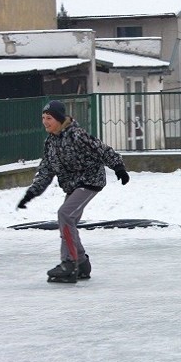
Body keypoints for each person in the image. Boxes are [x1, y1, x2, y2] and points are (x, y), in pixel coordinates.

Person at [17, 100, 130, 283]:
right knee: (68, 221)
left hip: (90, 181)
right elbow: (46, 170)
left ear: (60, 119)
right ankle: (82, 263)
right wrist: (31, 193)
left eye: (49, 118)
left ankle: (70, 263)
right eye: (43, 118)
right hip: (73, 185)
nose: (45, 122)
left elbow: (101, 149)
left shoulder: (76, 135)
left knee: (65, 214)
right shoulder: (50, 142)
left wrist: (118, 167)